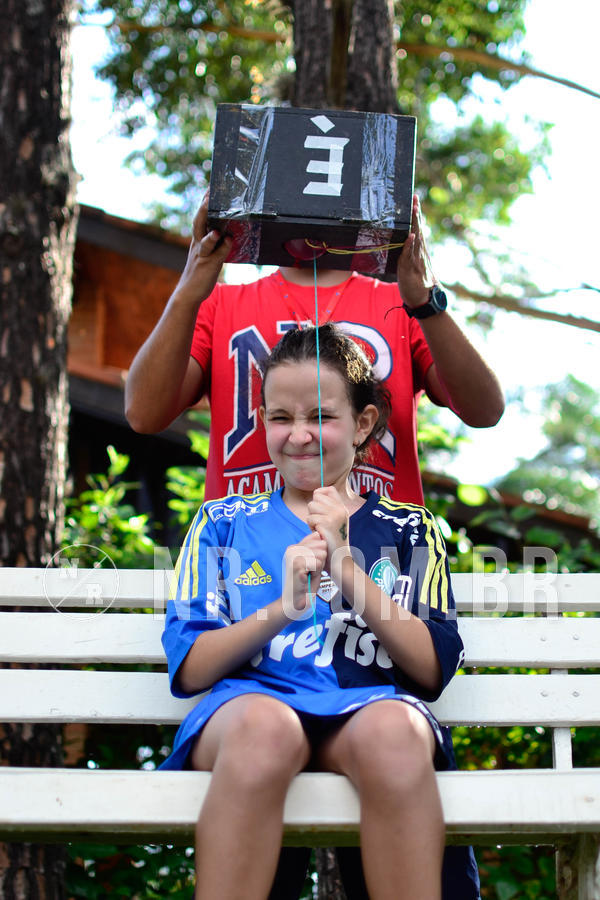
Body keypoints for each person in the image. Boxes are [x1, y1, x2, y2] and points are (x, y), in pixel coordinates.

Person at [161, 324, 480, 900]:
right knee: (267, 729)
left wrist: (346, 567)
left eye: (322, 416)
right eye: (281, 417)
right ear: (261, 423)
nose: (300, 435)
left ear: (363, 424)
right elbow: (191, 668)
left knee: (397, 731)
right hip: (246, 715)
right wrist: (282, 608)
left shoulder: (410, 529)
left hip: (362, 711)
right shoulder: (222, 523)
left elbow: (431, 670)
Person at [125, 192, 504, 506]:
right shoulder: (218, 303)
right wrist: (186, 295)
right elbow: (144, 414)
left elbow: (485, 410)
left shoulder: (403, 305)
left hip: (379, 557)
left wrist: (425, 301)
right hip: (249, 556)